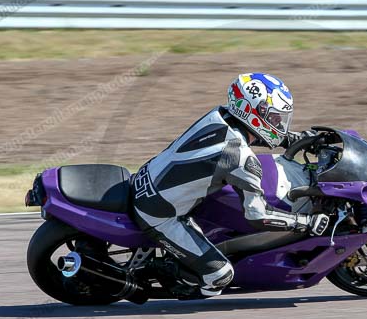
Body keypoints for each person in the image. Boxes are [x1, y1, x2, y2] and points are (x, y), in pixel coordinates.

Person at [131, 72, 330, 297]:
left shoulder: (219, 115)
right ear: (253, 113)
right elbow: (257, 215)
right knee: (220, 276)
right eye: (275, 118)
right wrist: (304, 222)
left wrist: (294, 139)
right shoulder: (240, 158)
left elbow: (253, 137)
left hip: (148, 180)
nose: (279, 124)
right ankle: (160, 275)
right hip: (162, 214)